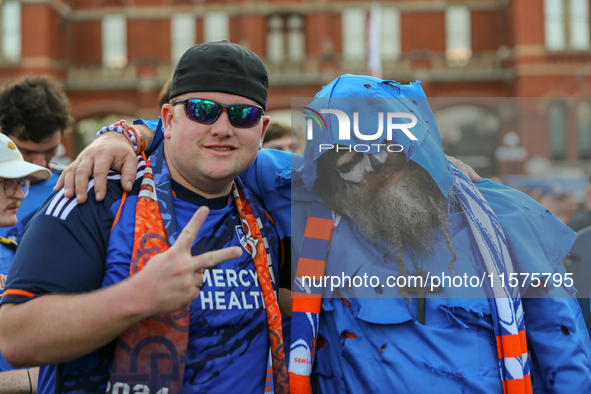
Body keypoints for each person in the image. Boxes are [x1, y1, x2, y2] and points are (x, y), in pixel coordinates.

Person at [62, 74, 591, 393]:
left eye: (386, 146)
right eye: (345, 158)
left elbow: (563, 349)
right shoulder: (308, 197)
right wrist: (124, 134)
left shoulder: (503, 217)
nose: (366, 166)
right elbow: (215, 144)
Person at [0, 41, 292, 394]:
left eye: (242, 115)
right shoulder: (95, 197)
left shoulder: (269, 211)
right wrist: (137, 297)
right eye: (202, 111)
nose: (222, 128)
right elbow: (15, 337)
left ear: (261, 131)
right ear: (168, 120)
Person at [0, 133, 51, 393]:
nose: (19, 194)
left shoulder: (12, 252)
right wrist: (31, 380)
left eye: (21, 183)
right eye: (8, 183)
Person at [0, 76, 73, 243]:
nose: (40, 162)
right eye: (27, 151)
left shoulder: (74, 187)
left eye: (50, 150)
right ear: (2, 134)